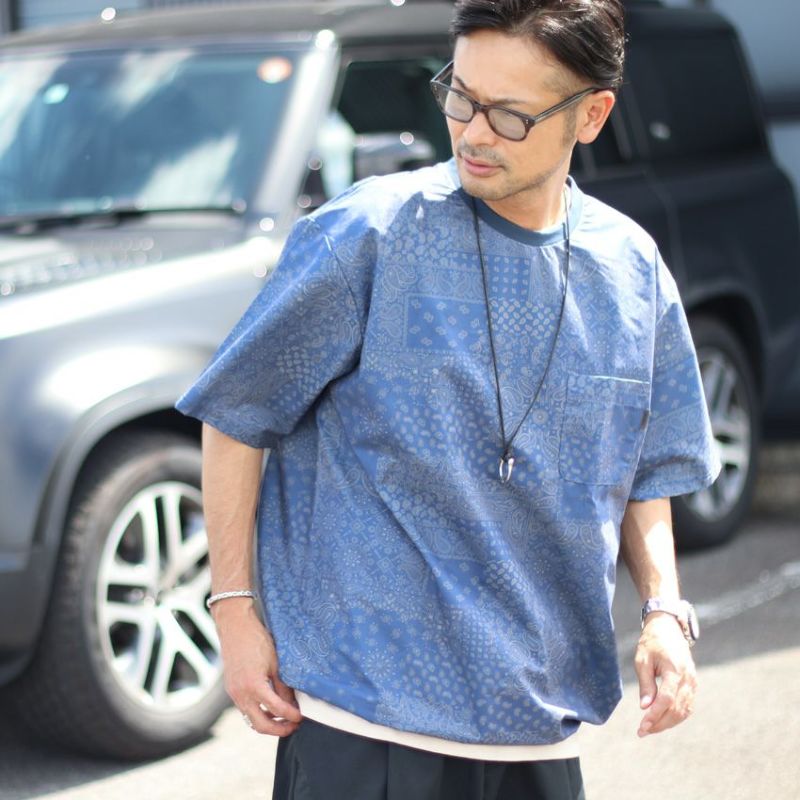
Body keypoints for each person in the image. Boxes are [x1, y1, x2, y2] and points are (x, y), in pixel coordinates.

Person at [176, 1, 720, 797]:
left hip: (538, 728)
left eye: (509, 115)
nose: (472, 133)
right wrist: (233, 609)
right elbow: (236, 414)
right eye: (460, 96)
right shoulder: (367, 234)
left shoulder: (631, 271)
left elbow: (645, 465)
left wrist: (664, 611)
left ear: (593, 115)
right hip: (362, 724)